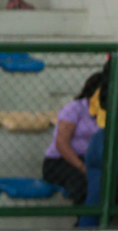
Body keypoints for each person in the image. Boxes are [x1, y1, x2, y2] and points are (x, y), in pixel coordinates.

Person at [44, 69, 105, 206]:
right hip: (62, 161)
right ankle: (83, 224)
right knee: (85, 184)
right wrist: (82, 167)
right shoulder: (74, 108)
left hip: (93, 161)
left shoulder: (109, 113)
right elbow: (61, 143)